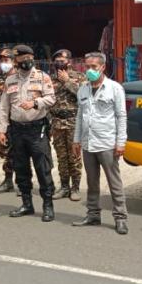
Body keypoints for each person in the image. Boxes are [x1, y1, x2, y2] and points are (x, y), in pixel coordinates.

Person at [0, 44, 58, 222]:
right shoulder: (10, 80)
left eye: (28, 58)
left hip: (37, 130)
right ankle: (26, 204)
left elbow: (51, 98)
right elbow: (4, 107)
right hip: (17, 130)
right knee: (21, 168)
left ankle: (47, 205)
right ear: (16, 60)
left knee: (43, 168)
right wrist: (1, 130)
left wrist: (35, 103)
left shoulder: (42, 77)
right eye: (21, 59)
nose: (25, 62)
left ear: (32, 58)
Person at [71, 52, 129, 235]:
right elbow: (80, 116)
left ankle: (120, 218)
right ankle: (93, 214)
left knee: (114, 182)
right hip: (88, 143)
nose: (89, 70)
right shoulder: (83, 89)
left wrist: (121, 142)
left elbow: (121, 116)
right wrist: (76, 140)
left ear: (103, 67)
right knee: (92, 181)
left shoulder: (115, 88)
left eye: (93, 67)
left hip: (107, 143)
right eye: (87, 67)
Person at [49, 49, 86, 201]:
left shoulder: (79, 77)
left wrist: (67, 81)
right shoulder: (51, 79)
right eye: (57, 60)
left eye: (62, 60)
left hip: (73, 123)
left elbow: (84, 96)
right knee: (61, 157)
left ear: (69, 62)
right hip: (57, 123)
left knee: (74, 157)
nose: (59, 62)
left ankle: (75, 188)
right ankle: (64, 187)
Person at [0, 46, 18, 196]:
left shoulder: (21, 77)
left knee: (21, 152)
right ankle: (8, 181)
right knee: (6, 152)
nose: (3, 63)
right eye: (1, 60)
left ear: (14, 61)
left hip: (18, 122)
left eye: (6, 60)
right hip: (4, 123)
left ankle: (22, 183)